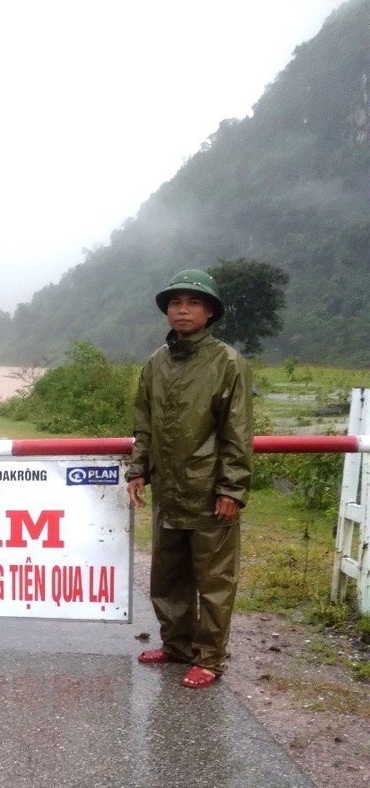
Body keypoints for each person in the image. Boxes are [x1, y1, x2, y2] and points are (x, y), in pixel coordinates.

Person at [126, 269, 253, 689]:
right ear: (166, 311)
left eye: (194, 302)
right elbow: (144, 424)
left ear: (210, 311)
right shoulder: (154, 365)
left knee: (214, 579)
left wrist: (232, 487)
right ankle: (177, 645)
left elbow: (237, 431)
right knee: (168, 574)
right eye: (175, 303)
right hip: (168, 490)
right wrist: (138, 469)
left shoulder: (227, 362)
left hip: (209, 490)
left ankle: (211, 658)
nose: (183, 310)